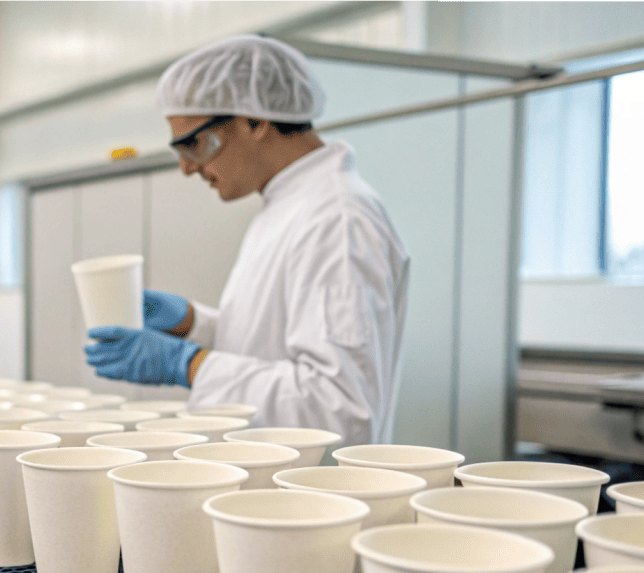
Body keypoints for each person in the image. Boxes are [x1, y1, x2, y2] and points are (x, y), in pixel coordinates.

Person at [83, 36, 409, 446]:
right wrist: (193, 325)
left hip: (310, 496)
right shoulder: (287, 206)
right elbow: (274, 349)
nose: (186, 168)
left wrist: (190, 365)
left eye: (194, 144)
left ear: (255, 120)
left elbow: (337, 409)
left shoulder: (337, 220)